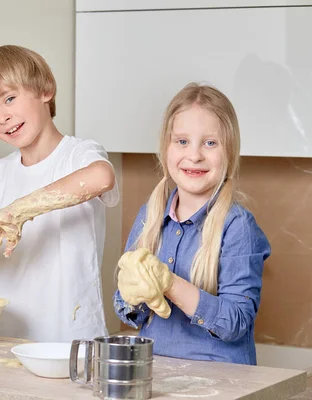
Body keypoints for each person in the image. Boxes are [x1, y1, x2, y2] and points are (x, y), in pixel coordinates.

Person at [0, 45, 119, 342]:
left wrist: (17, 211)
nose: (2, 116)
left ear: (45, 90)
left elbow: (102, 177)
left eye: (9, 99)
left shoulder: (78, 154)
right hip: (8, 335)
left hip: (73, 333)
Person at [113, 83, 271, 365]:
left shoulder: (237, 226)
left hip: (223, 383)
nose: (195, 155)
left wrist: (169, 284)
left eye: (210, 143)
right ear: (166, 148)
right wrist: (131, 293)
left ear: (229, 151)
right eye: (182, 141)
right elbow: (127, 311)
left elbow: (236, 322)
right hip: (157, 372)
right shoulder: (149, 217)